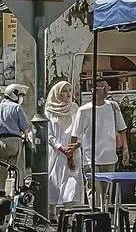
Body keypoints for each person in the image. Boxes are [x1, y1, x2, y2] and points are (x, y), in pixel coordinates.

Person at [69, 79, 130, 210]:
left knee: (105, 191)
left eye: (106, 87)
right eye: (103, 88)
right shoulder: (84, 111)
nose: (107, 90)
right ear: (94, 90)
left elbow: (122, 129)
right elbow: (75, 135)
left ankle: (105, 215)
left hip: (109, 156)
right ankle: (95, 216)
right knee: (93, 189)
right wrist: (71, 156)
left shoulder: (113, 106)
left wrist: (125, 149)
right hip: (90, 157)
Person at [45, 78, 81, 218]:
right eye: (64, 91)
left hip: (73, 151)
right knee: (53, 181)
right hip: (56, 152)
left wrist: (73, 147)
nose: (68, 94)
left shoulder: (75, 108)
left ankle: (68, 215)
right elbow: (48, 133)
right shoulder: (49, 111)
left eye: (69, 91)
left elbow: (80, 130)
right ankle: (51, 213)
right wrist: (60, 148)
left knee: (71, 183)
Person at [0, 84, 31, 191]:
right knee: (17, 170)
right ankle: (14, 194)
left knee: (1, 170)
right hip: (15, 142)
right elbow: (25, 128)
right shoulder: (17, 108)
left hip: (0, 141)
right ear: (14, 94)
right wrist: (25, 136)